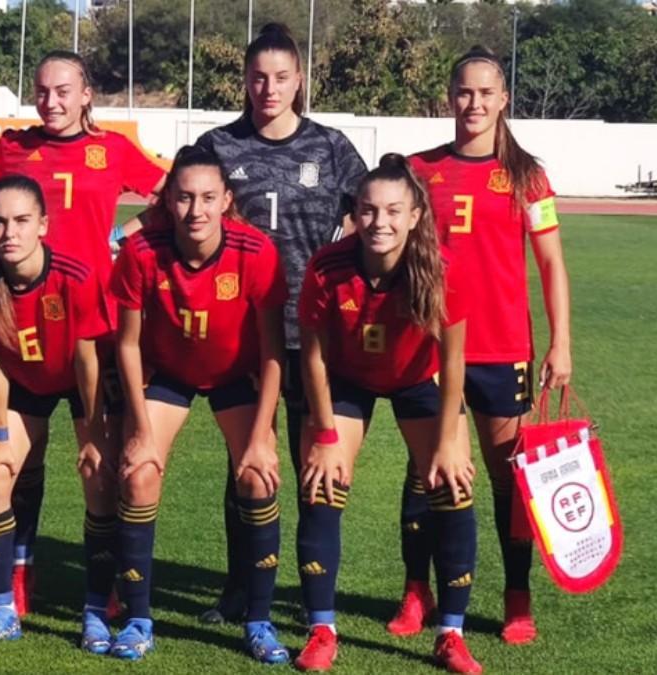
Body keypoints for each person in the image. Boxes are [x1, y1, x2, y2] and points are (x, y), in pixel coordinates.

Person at [0, 49, 165, 618]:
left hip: (94, 335)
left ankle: (106, 587)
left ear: (86, 96)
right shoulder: (13, 147)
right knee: (17, 464)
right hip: (22, 332)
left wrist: (119, 238)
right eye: (42, 91)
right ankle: (19, 578)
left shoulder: (113, 149)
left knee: (100, 467)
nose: (51, 102)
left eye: (63, 91)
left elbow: (170, 193)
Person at [189, 23, 369, 623]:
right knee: (247, 466)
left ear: (300, 81)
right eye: (258, 77)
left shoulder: (332, 148)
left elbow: (377, 215)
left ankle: (311, 596)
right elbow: (180, 210)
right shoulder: (218, 145)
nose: (269, 88)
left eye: (281, 77)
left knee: (316, 466)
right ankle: (242, 588)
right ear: (245, 79)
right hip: (242, 336)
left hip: (319, 337)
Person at [399, 46, 571, 645]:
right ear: (449, 98)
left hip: (503, 350)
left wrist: (561, 342)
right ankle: (415, 591)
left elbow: (550, 263)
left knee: (507, 480)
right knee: (425, 475)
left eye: (484, 93)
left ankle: (516, 596)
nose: (473, 103)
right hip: (428, 350)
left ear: (504, 100)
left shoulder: (528, 175)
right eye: (463, 92)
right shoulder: (418, 171)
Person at [294, 154, 481, 673]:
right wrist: (326, 433)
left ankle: (451, 634)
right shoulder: (328, 265)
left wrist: (447, 442)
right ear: (355, 212)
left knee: (454, 485)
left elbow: (453, 361)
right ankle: (321, 629)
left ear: (416, 214)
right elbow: (313, 356)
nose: (380, 222)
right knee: (321, 483)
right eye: (369, 210)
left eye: (394, 211)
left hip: (419, 381)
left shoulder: (441, 269)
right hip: (350, 382)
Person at [110, 146, 287, 662]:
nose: (196, 210)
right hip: (169, 374)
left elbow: (274, 352)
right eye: (184, 198)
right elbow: (125, 344)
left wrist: (260, 437)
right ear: (167, 202)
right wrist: (139, 429)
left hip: (237, 376)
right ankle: (139, 618)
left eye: (208, 198)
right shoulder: (142, 252)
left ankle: (259, 621)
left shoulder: (255, 252)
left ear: (227, 200)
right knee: (139, 472)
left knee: (258, 475)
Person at [0, 175, 112, 651]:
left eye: (22, 221)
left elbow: (88, 360)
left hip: (80, 383)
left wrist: (95, 432)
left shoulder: (75, 275)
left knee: (100, 481)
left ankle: (97, 609)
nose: (9, 232)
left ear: (43, 224)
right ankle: (3, 609)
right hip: (23, 381)